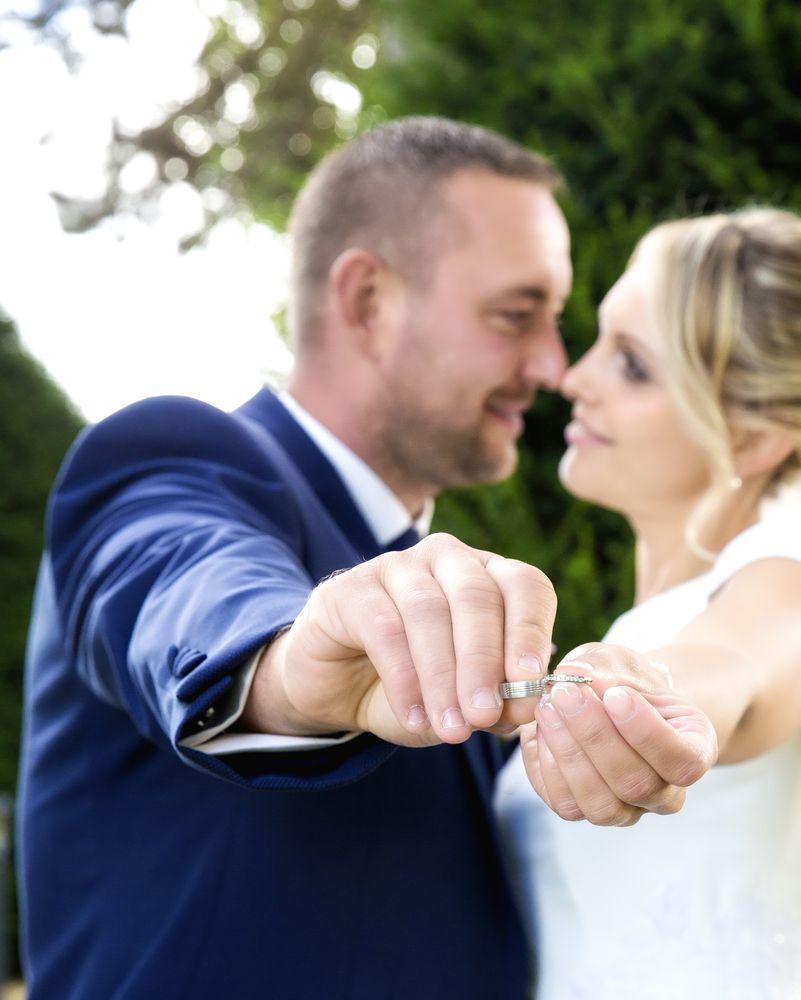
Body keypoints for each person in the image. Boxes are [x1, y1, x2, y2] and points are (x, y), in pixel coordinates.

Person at [16, 116, 714, 999]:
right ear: (369, 301)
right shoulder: (173, 458)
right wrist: (289, 665)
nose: (551, 365)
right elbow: (182, 582)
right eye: (515, 315)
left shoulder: (453, 597)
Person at [495, 208, 801, 998]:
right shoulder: (708, 591)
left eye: (632, 365)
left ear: (749, 438)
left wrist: (645, 693)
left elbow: (735, 663)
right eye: (600, 341)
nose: (575, 378)